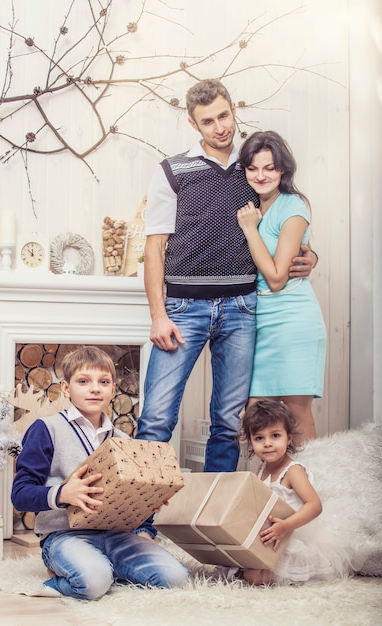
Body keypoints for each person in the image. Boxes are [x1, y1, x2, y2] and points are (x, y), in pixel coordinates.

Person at [136, 79, 317, 471]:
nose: (219, 127)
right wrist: (157, 315)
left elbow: (282, 220)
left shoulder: (254, 163)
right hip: (183, 308)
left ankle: (211, 522)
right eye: (207, 121)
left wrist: (309, 254)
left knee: (228, 423)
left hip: (242, 307)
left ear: (233, 109)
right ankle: (140, 525)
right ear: (192, 123)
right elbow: (155, 247)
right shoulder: (172, 170)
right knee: (156, 418)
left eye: (224, 115)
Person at [11, 346, 189, 600]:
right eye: (83, 381)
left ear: (113, 390)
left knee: (175, 578)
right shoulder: (46, 429)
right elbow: (20, 495)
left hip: (117, 535)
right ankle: (67, 576)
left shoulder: (123, 439)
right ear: (65, 388)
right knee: (93, 584)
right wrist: (63, 493)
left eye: (104, 382)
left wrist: (149, 501)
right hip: (64, 535)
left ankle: (101, 567)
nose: (95, 388)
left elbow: (126, 497)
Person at [237, 130, 326, 441]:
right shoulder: (250, 203)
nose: (261, 176)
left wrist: (251, 229)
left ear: (283, 169)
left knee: (296, 415)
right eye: (253, 168)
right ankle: (272, 489)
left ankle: (312, 487)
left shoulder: (293, 206)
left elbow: (276, 279)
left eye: (270, 168)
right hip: (260, 321)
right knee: (256, 415)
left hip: (291, 318)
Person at [239, 398, 352, 585]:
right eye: (259, 438)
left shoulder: (293, 471)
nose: (267, 443)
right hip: (271, 534)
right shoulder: (260, 470)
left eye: (275, 436)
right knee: (231, 560)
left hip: (291, 533)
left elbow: (314, 505)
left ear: (288, 438)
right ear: (251, 442)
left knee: (255, 577)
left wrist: (285, 526)